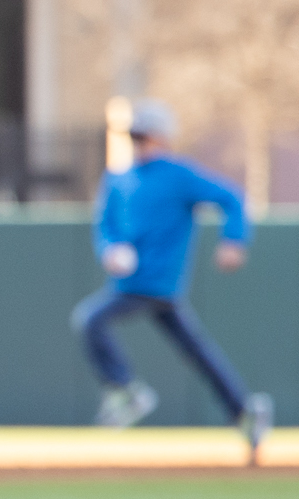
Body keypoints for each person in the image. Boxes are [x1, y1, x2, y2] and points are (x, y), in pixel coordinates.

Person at [71, 98, 271, 457]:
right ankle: (243, 411)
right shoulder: (118, 178)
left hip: (158, 281)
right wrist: (110, 250)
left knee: (91, 319)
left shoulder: (179, 175)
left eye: (145, 137)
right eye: (135, 138)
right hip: (130, 282)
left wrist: (234, 240)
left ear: (164, 138)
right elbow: (106, 226)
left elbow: (232, 199)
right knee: (196, 351)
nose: (141, 145)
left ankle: (126, 391)